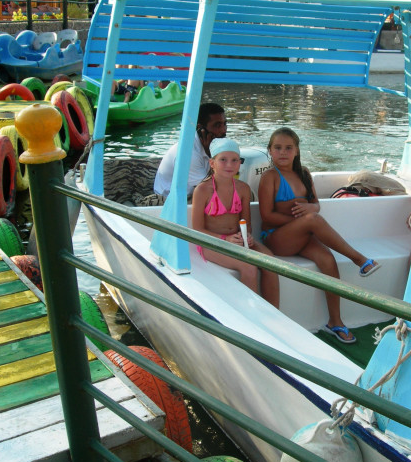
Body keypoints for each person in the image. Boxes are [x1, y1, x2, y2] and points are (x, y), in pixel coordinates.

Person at [257, 127, 380, 344]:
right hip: (277, 238)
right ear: (270, 150)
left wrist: (310, 210)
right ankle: (359, 259)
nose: (283, 152)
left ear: (297, 150)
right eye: (278, 148)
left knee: (327, 259)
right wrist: (303, 220)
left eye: (288, 148)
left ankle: (335, 322)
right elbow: (266, 216)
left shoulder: (304, 174)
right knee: (312, 221)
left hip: (301, 234)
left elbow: (316, 205)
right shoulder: (270, 177)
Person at [191, 138, 280, 308]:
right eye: (223, 160)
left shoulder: (243, 188)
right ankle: (251, 315)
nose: (229, 164)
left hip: (238, 240)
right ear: (212, 163)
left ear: (239, 163)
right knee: (249, 267)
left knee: (271, 262)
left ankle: (274, 312)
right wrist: (225, 239)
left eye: (234, 160)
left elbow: (246, 222)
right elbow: (197, 229)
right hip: (211, 243)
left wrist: (247, 236)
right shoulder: (202, 190)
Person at [154, 102, 227, 199]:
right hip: (171, 200)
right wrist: (212, 156)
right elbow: (209, 190)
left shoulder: (211, 146)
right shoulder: (188, 153)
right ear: (200, 128)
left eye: (224, 124)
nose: (223, 130)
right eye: (217, 125)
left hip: (195, 192)